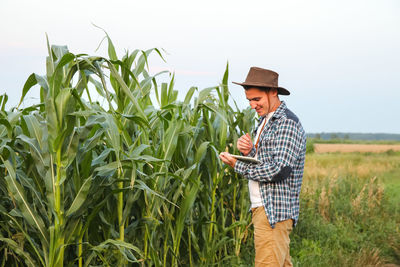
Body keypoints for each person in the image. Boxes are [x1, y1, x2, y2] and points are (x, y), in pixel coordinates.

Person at [219, 67, 306, 267]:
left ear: (273, 92)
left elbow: (279, 169)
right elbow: (266, 162)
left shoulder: (285, 123)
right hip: (264, 208)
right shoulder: (265, 121)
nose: (252, 105)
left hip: (273, 211)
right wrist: (249, 152)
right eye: (249, 100)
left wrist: (238, 165)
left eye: (256, 99)